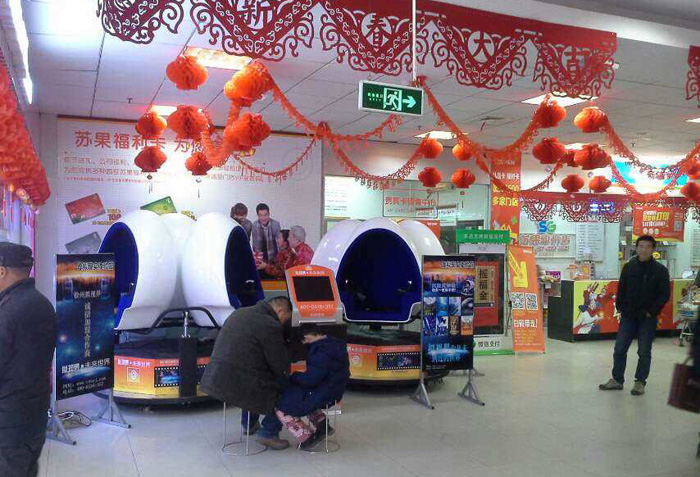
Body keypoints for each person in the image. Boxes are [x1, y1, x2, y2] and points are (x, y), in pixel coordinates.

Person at [200, 296, 293, 450]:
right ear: (280, 310)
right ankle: (269, 433)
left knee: (252, 376)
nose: (283, 323)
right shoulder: (270, 324)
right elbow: (278, 363)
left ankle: (249, 424)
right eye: (285, 318)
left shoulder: (239, 313)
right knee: (285, 386)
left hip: (216, 377)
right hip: (241, 381)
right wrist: (287, 372)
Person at [0, 243, 57, 477]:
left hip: (7, 425)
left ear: (2, 271)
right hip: (34, 417)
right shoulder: (43, 304)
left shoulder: (7, 312)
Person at [599, 235, 670, 396]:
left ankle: (640, 382)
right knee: (619, 349)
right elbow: (621, 288)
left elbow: (664, 294)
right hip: (628, 315)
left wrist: (652, 311)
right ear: (636, 248)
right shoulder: (629, 267)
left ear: (653, 249)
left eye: (648, 247)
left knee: (644, 351)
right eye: (641, 246)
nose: (644, 250)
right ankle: (617, 380)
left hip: (647, 317)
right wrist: (620, 307)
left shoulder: (660, 270)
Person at [275, 325, 349, 450]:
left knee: (282, 407)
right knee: (298, 395)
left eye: (303, 342)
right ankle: (323, 425)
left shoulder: (321, 351)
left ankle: (307, 437)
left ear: (307, 337)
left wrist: (293, 377)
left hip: (325, 391)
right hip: (334, 389)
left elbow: (311, 379)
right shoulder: (334, 345)